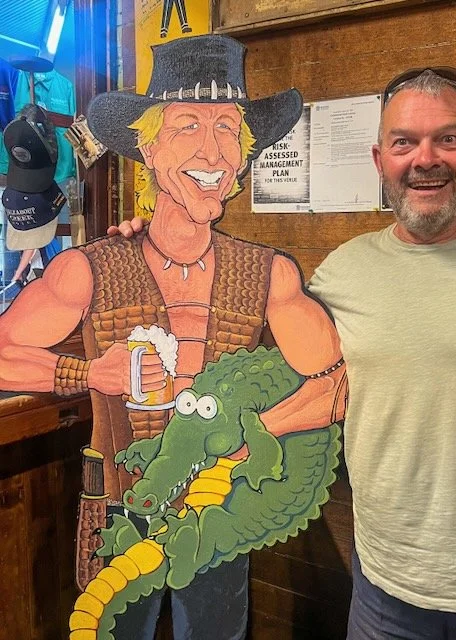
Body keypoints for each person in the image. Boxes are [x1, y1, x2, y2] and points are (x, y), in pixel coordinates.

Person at [115, 67, 456, 638]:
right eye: (404, 143)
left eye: (447, 138)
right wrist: (163, 245)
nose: (425, 159)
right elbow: (268, 362)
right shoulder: (344, 272)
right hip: (387, 598)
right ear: (379, 159)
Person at [0, 34, 344, 640]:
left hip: (217, 514)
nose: (212, 151)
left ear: (242, 159)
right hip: (119, 509)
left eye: (228, 131)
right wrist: (90, 373)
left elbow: (333, 386)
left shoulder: (268, 274)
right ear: (149, 148)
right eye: (188, 126)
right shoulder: (90, 268)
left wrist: (257, 435)